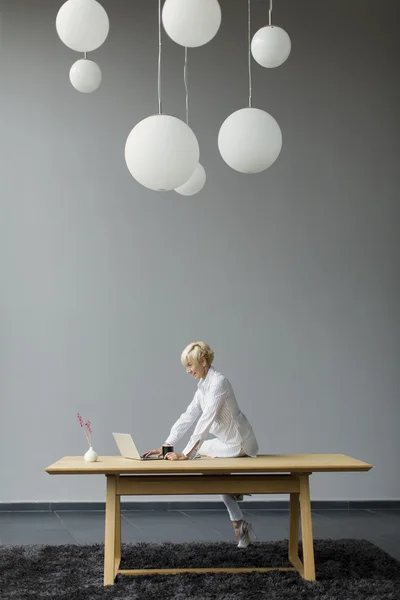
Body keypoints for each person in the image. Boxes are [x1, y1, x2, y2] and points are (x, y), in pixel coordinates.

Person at [143, 341, 259, 548]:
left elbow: (205, 420)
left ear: (203, 361)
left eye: (190, 365)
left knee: (203, 459)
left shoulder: (219, 383)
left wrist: (186, 454)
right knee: (215, 473)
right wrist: (167, 446)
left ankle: (235, 491)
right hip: (224, 443)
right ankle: (239, 520)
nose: (187, 371)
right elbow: (188, 416)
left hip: (239, 443)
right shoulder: (203, 386)